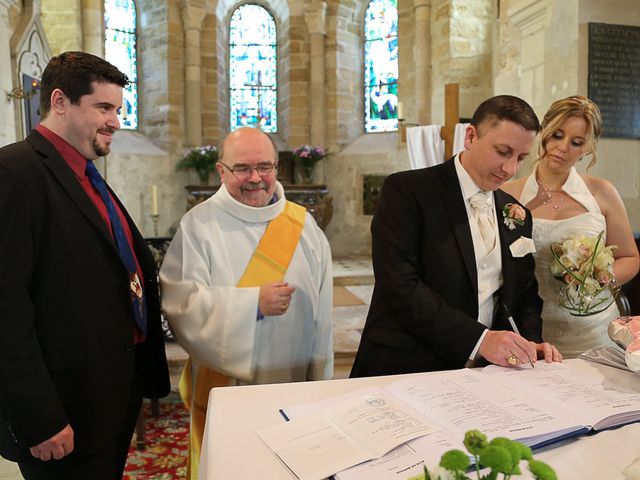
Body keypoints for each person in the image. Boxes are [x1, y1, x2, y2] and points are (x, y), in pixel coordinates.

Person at [0, 51, 170, 479]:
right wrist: (40, 416)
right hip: (62, 407)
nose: (115, 120)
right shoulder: (14, 172)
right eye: (104, 108)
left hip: (107, 393)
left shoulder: (86, 174)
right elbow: (6, 310)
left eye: (118, 109)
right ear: (60, 102)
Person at [160, 126, 333, 479]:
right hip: (227, 386)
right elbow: (181, 303)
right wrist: (252, 303)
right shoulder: (199, 225)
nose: (256, 178)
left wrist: (322, 381)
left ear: (276, 169)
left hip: (293, 377)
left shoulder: (303, 225)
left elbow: (324, 315)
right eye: (243, 168)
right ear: (222, 171)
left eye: (265, 167)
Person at [351, 95, 562, 378]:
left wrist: (529, 342)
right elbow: (400, 286)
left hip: (487, 376)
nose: (510, 169)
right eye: (502, 151)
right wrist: (480, 340)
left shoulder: (516, 213)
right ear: (471, 136)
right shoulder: (408, 191)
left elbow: (524, 295)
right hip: (407, 366)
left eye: (521, 158)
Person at [502, 95, 639, 358]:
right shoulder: (509, 194)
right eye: (557, 135)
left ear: (588, 148)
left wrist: (598, 279)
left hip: (593, 331)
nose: (562, 147)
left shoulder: (602, 193)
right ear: (543, 132)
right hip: (531, 333)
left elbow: (631, 258)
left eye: (576, 142)